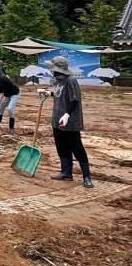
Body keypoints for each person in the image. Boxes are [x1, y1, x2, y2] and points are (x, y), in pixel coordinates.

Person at [41, 56, 93, 188]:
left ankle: (87, 177)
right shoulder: (58, 81)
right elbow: (60, 95)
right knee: (61, 146)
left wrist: (67, 114)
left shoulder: (71, 81)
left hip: (70, 122)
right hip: (56, 120)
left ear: (58, 69)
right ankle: (66, 172)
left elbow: (74, 100)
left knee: (76, 147)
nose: (51, 71)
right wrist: (48, 93)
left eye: (52, 68)